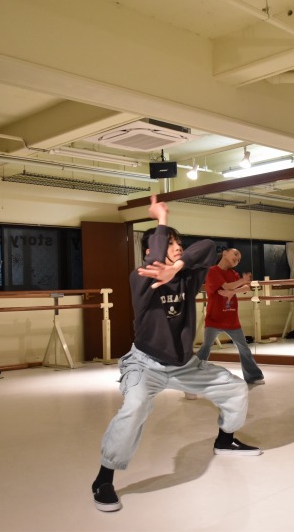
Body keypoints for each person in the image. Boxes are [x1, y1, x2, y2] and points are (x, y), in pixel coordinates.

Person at [92, 196, 261, 513]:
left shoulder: (189, 276)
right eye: (169, 243)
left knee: (236, 388)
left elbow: (208, 247)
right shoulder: (140, 278)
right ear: (150, 252)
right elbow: (158, 255)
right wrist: (161, 219)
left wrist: (178, 266)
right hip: (145, 364)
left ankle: (225, 440)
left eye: (178, 242)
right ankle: (104, 478)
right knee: (135, 407)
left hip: (185, 365)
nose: (177, 246)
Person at [194, 248, 264, 385]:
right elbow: (226, 286)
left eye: (239, 259)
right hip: (214, 319)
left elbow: (246, 288)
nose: (237, 259)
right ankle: (193, 374)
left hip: (232, 320)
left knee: (244, 348)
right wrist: (240, 282)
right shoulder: (212, 271)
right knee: (206, 347)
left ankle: (253, 376)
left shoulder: (234, 273)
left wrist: (233, 292)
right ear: (225, 253)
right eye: (236, 254)